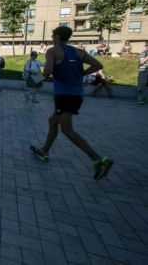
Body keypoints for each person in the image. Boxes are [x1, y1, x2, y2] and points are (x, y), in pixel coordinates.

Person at [30, 26, 113, 180]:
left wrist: (41, 77)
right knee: (52, 121)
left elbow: (47, 71)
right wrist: (81, 73)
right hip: (76, 95)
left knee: (67, 130)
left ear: (57, 37)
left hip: (63, 95)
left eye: (53, 35)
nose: (51, 37)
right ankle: (44, 151)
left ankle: (98, 159)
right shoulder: (78, 52)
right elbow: (98, 65)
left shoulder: (52, 51)